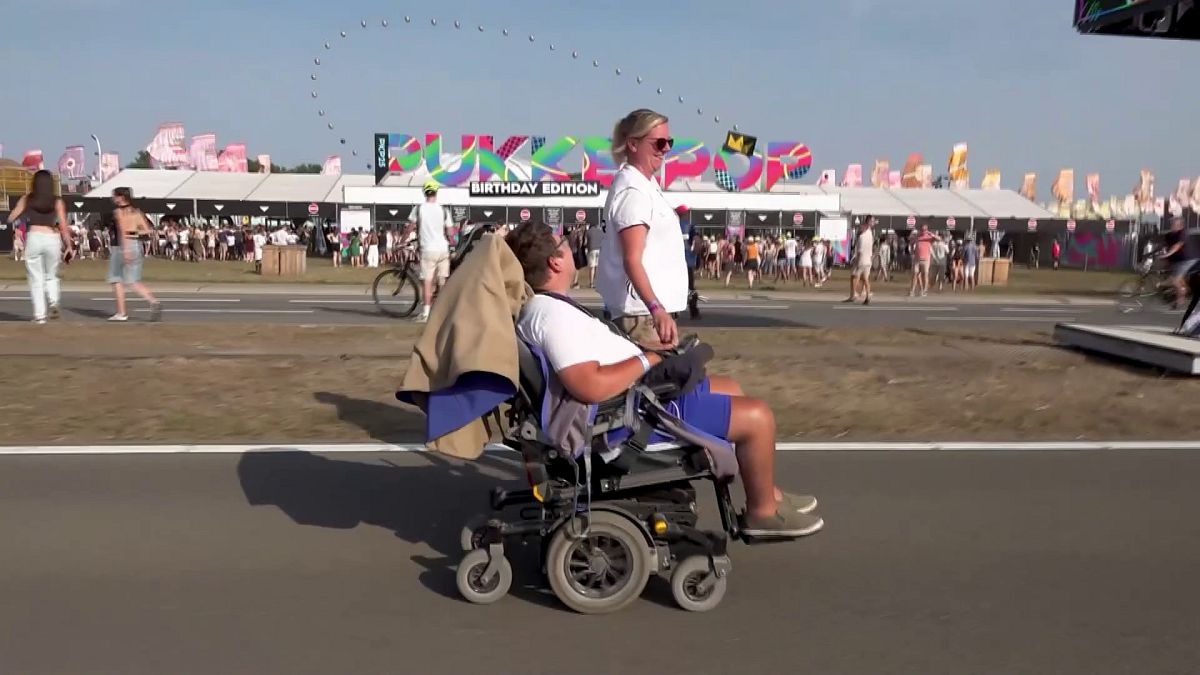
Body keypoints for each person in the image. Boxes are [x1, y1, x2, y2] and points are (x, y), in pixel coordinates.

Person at [506, 221, 823, 539]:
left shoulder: (550, 308)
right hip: (629, 416)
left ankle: (767, 494)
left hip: (636, 397)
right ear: (555, 262)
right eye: (563, 243)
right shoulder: (553, 317)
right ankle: (761, 515)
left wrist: (653, 355)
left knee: (731, 388)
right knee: (758, 418)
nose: (570, 247)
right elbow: (590, 385)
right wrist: (650, 359)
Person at [596, 108, 688, 347]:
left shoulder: (645, 184)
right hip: (642, 315)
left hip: (647, 312)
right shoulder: (634, 191)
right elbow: (632, 259)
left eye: (669, 142)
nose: (666, 149)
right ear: (633, 144)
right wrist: (656, 308)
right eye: (659, 143)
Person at [6, 170, 74, 323]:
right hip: (52, 237)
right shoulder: (57, 201)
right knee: (51, 275)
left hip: (34, 237)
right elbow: (63, 225)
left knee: (36, 278)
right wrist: (69, 245)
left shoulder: (27, 199)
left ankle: (40, 316)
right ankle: (54, 301)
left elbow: (11, 217)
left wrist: (20, 218)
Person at [106, 187, 161, 322]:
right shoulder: (137, 212)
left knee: (116, 279)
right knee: (133, 280)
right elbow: (147, 231)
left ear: (121, 197)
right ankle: (153, 301)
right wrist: (133, 233)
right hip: (135, 245)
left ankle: (121, 312)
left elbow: (122, 231)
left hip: (122, 246)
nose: (113, 198)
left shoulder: (119, 212)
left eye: (115, 196)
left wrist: (125, 250)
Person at [405, 180, 453, 323]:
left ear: (424, 192)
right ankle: (443, 313)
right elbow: (450, 232)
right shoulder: (444, 210)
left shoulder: (419, 209)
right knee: (443, 282)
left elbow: (410, 227)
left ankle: (426, 314)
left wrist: (402, 240)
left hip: (428, 249)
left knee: (427, 283)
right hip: (443, 249)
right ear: (436, 193)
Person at [1161, 217, 1198, 310]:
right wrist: (1164, 256)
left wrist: (1167, 255)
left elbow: (1177, 246)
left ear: (1181, 225)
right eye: (1173, 224)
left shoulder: (1183, 233)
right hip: (1176, 260)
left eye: (1176, 224)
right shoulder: (1168, 235)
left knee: (1175, 280)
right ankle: (1186, 290)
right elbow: (1165, 247)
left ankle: (1179, 301)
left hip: (1187, 259)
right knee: (1176, 279)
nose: (1174, 226)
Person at [675, 205, 702, 319]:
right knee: (690, 287)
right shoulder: (691, 227)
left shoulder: (673, 226)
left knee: (674, 286)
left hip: (675, 262)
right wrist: (696, 256)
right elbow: (697, 242)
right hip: (688, 261)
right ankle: (694, 311)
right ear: (686, 214)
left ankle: (674, 311)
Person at [845, 216, 875, 305]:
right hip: (868, 259)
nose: (859, 230)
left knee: (854, 276)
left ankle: (853, 294)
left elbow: (860, 250)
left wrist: (857, 260)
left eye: (860, 229)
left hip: (861, 259)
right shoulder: (870, 234)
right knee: (865, 278)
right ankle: (868, 295)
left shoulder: (862, 237)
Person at [909, 223, 941, 297]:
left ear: (927, 229)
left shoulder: (929, 237)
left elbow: (939, 239)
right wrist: (912, 251)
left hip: (926, 259)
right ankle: (912, 291)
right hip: (917, 259)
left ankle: (924, 291)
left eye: (925, 229)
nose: (923, 230)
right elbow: (911, 242)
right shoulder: (917, 236)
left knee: (925, 275)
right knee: (915, 275)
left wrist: (930, 233)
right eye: (922, 229)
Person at [586, 221, 603, 288]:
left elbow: (585, 242)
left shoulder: (588, 232)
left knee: (592, 267)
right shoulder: (600, 232)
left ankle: (591, 283)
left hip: (591, 250)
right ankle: (598, 283)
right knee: (597, 267)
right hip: (599, 250)